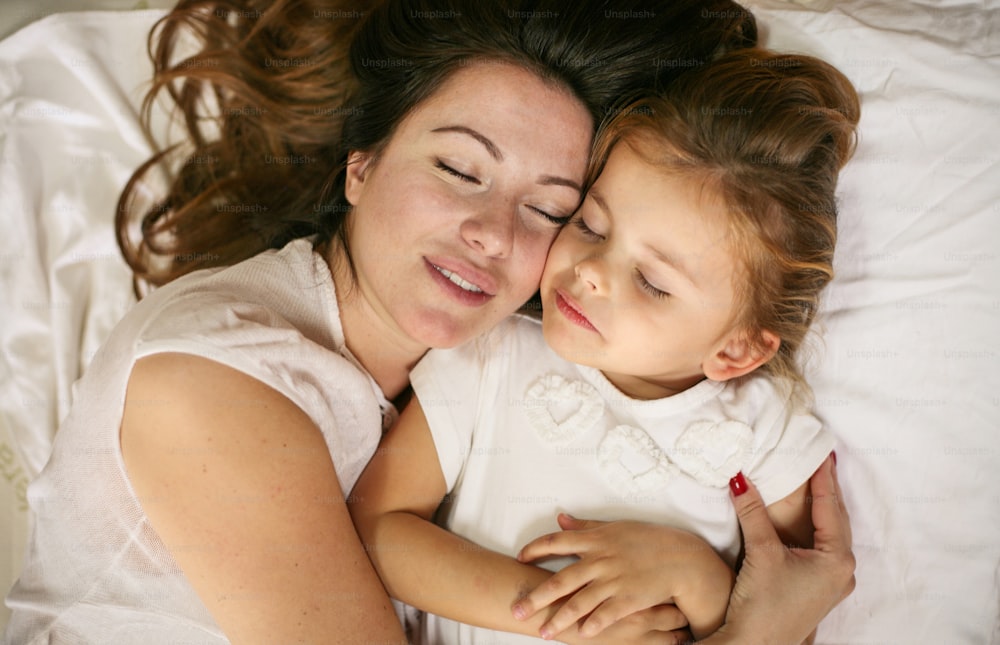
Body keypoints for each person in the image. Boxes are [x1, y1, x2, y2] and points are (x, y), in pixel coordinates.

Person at [1, 0, 854, 642]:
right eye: (458, 167)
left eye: (554, 209)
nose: (493, 231)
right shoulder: (216, 384)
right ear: (361, 165)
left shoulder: (472, 371)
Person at [349, 47, 860, 644]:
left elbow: (791, 617)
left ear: (737, 349)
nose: (591, 270)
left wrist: (698, 578)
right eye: (589, 225)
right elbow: (374, 528)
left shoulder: (766, 429)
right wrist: (564, 616)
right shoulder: (493, 355)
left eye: (652, 282)